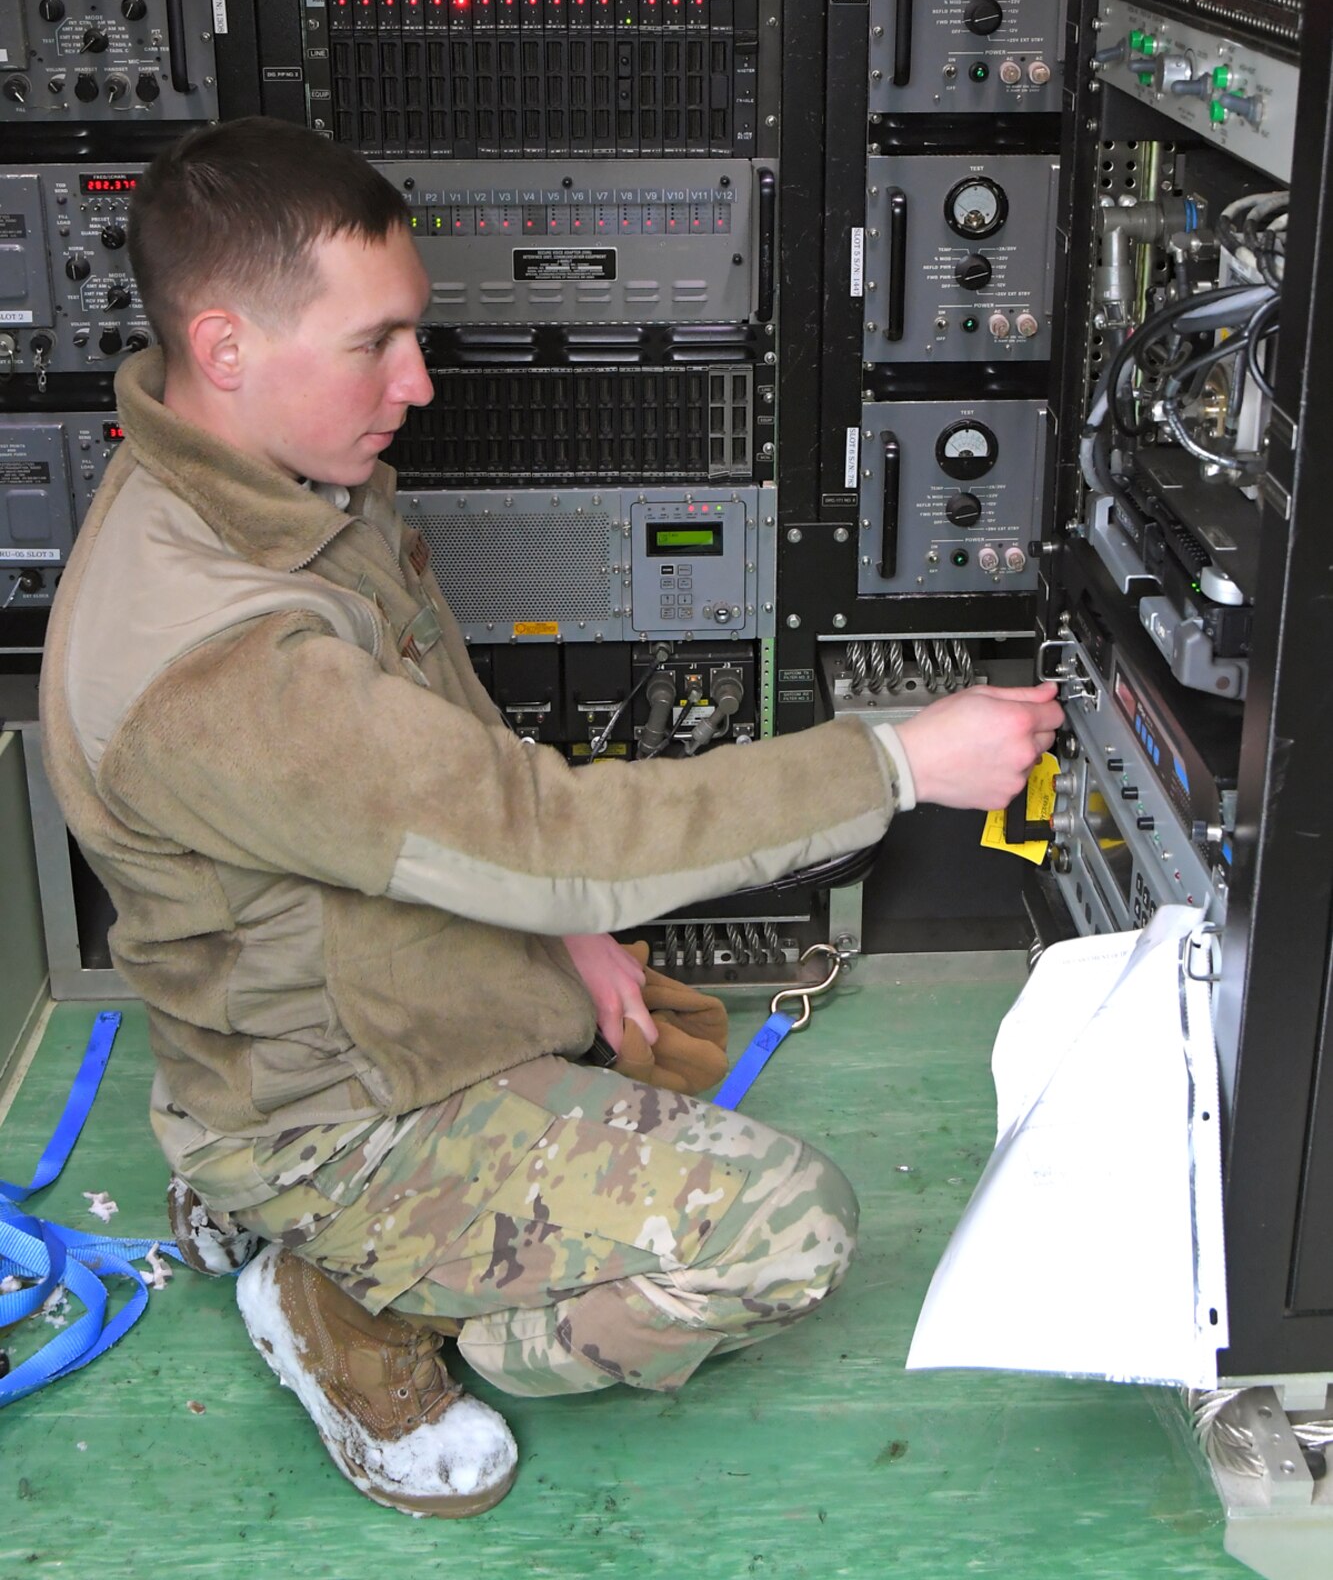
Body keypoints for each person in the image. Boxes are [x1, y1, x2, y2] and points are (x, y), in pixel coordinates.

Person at [39, 118, 1060, 1518]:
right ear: (225, 346)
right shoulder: (224, 662)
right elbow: (543, 831)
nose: (417, 382)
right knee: (787, 1234)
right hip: (332, 1114)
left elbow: (450, 767)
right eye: (377, 342)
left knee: (642, 1036)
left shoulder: (265, 492)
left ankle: (285, 1211)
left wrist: (567, 930)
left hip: (328, 1009)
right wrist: (892, 761)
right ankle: (353, 1304)